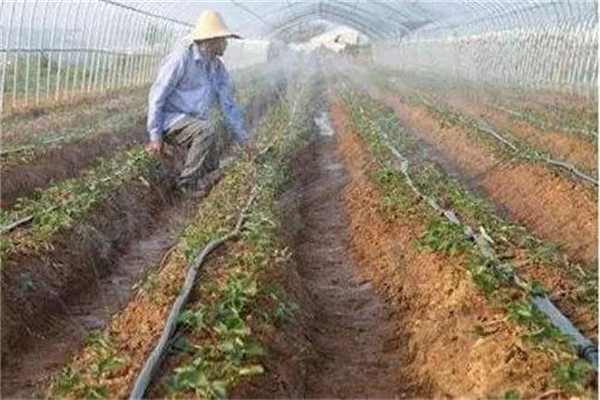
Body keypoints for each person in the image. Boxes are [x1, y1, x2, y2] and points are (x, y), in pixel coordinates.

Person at [146, 11, 249, 191]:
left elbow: (228, 104)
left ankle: (207, 174)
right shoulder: (180, 60)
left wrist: (243, 138)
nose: (225, 44)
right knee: (205, 130)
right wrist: (155, 137)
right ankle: (186, 183)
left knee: (211, 131)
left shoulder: (216, 66)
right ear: (210, 41)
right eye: (223, 40)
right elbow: (157, 96)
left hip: (192, 121)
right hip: (171, 120)